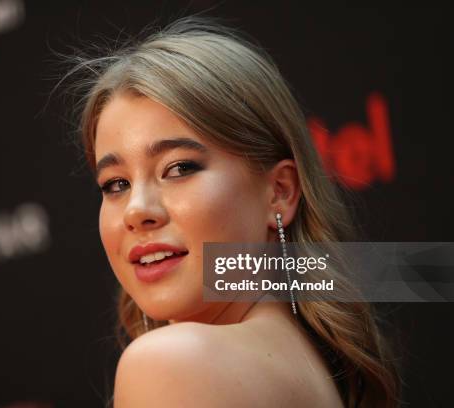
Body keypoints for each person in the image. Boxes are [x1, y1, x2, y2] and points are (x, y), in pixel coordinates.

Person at [61, 16, 400, 407]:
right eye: (115, 184)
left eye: (179, 168)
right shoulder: (313, 368)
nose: (137, 211)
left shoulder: (169, 364)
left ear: (281, 191)